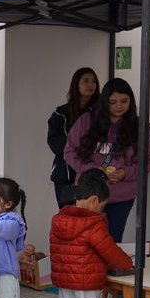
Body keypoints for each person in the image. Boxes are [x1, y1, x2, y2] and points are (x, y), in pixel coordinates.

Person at [49, 168, 133, 298]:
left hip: (63, 277)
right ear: (94, 200)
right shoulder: (93, 224)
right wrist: (127, 263)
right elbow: (109, 250)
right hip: (87, 279)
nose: (102, 210)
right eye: (102, 206)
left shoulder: (58, 220)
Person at [64, 77, 150, 242]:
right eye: (112, 102)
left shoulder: (141, 127)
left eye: (124, 101)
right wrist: (93, 170)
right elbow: (69, 151)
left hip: (122, 194)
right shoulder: (87, 121)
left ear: (131, 101)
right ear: (104, 102)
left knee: (111, 240)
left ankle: (107, 269)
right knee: (82, 240)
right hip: (89, 193)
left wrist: (125, 173)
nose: (119, 106)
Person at [47, 67, 100, 207]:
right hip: (64, 174)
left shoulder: (100, 113)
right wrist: (76, 141)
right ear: (76, 84)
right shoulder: (61, 113)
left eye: (94, 82)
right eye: (86, 81)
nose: (91, 85)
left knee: (90, 217)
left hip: (91, 172)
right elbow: (54, 143)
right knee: (68, 217)